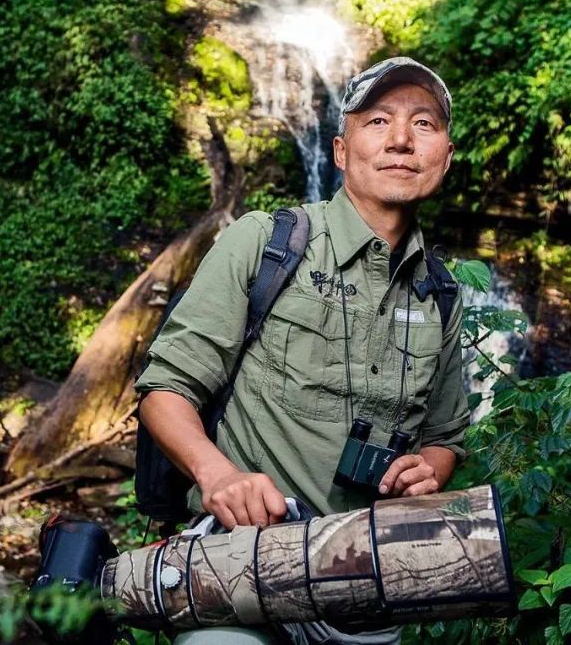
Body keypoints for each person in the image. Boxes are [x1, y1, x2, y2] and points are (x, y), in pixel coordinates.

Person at [134, 57, 470, 644]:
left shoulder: (440, 293)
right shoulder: (267, 243)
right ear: (339, 152)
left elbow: (445, 437)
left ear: (444, 155)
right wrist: (218, 476)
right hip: (243, 566)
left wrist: (428, 472)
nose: (399, 139)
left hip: (368, 592)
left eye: (423, 124)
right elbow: (164, 391)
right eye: (378, 121)